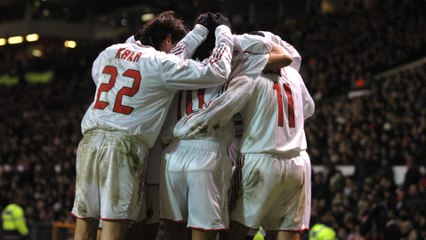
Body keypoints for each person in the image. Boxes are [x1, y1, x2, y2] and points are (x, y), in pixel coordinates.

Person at [70, 10, 235, 240]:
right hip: (123, 145)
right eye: (175, 46)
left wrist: (197, 33)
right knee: (113, 225)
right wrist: (223, 32)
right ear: (168, 41)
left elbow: (102, 78)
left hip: (89, 141)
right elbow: (217, 71)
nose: (180, 55)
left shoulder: (110, 52)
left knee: (85, 221)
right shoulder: (160, 63)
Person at [161, 14, 293, 240]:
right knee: (206, 233)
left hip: (172, 155)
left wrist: (198, 32)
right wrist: (229, 34)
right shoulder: (233, 66)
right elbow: (284, 58)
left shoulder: (175, 68)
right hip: (208, 153)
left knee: (173, 233)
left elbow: (173, 55)